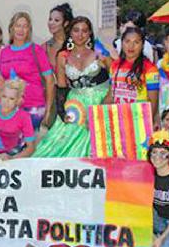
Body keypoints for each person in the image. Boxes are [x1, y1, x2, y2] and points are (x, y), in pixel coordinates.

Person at [34, 17, 111, 158]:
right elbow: (61, 86)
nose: (80, 35)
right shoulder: (62, 56)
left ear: (89, 34)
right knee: (58, 141)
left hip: (99, 101)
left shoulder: (99, 53)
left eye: (84, 31)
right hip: (75, 104)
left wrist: (106, 101)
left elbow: (116, 78)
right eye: (76, 30)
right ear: (70, 33)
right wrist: (61, 110)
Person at [0, 12, 55, 132]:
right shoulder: (4, 52)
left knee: (27, 145)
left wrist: (48, 109)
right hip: (11, 108)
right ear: (11, 28)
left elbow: (50, 81)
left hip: (33, 107)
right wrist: (2, 104)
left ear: (29, 29)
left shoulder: (36, 50)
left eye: (25, 26)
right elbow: (1, 80)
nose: (21, 30)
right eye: (18, 25)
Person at [106, 27, 159, 116]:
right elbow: (111, 95)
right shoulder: (115, 66)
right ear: (122, 43)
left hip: (139, 119)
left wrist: (149, 121)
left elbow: (153, 101)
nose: (131, 46)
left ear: (142, 45)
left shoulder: (150, 69)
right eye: (127, 41)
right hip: (117, 118)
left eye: (136, 42)